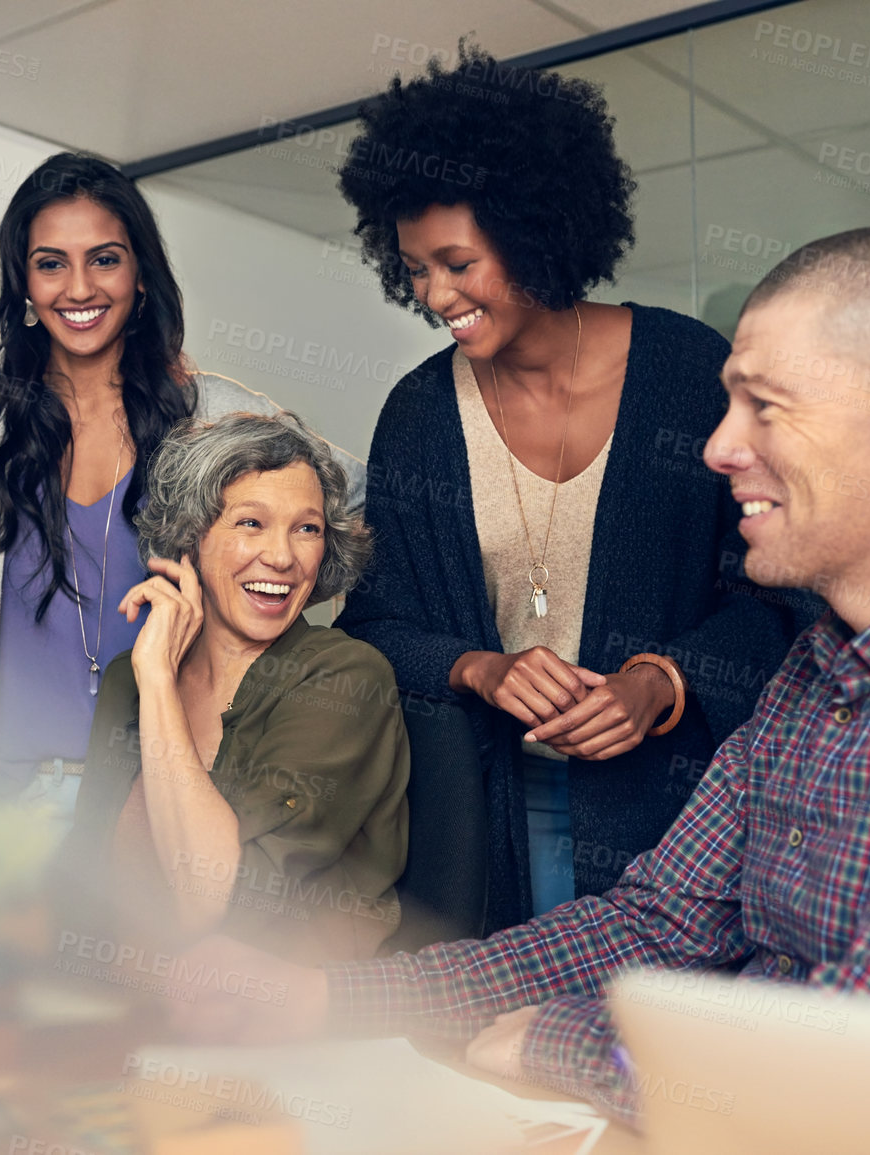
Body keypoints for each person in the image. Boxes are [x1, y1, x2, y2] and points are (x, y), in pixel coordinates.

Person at [170, 227, 870, 1126]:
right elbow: (656, 925)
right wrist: (326, 997)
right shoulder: (814, 675)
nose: (721, 448)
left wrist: (559, 1042)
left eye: (767, 406)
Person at [332, 45, 816, 932]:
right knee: (513, 1038)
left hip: (680, 816)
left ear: (533, 232)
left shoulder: (688, 373)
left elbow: (784, 595)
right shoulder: (419, 414)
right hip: (489, 825)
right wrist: (479, 667)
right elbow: (372, 628)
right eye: (413, 269)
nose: (435, 294)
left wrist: (660, 681)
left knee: (652, 1048)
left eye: (456, 262)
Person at [0, 153, 365, 809]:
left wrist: (256, 603)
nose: (79, 287)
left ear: (140, 275)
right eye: (51, 262)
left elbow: (354, 502)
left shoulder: (213, 417)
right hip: (7, 810)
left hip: (159, 801)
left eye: (105, 258)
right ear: (23, 284)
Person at [59, 412, 407, 964]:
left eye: (307, 528)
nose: (282, 556)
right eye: (251, 523)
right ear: (191, 538)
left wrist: (158, 685)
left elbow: (217, 902)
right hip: (127, 994)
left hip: (280, 1016)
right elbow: (85, 883)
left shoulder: (345, 677)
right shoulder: (133, 674)